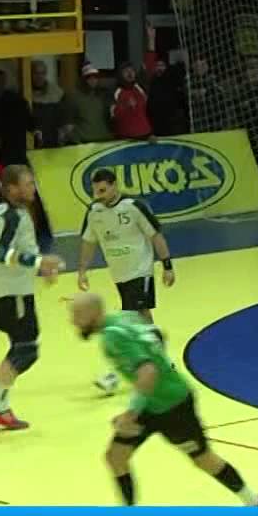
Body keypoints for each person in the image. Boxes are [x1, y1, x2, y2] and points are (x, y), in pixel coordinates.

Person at [70, 292, 258, 507]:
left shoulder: (113, 337)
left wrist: (130, 415)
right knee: (116, 456)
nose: (72, 321)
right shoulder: (124, 317)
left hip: (173, 405)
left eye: (76, 315)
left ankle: (254, 502)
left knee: (204, 460)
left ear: (93, 313)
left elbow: (148, 372)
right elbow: (158, 335)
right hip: (149, 403)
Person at [0, 165, 63, 435]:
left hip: (18, 290)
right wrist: (39, 262)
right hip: (11, 293)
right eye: (28, 183)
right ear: (11, 188)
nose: (33, 188)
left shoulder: (20, 212)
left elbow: (22, 250)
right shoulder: (8, 214)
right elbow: (0, 253)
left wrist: (40, 266)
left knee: (19, 349)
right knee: (26, 350)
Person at [77, 168, 174, 394]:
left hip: (140, 271)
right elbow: (89, 241)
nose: (98, 195)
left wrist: (167, 265)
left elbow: (155, 235)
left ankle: (116, 375)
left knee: (132, 320)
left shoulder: (134, 206)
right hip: (119, 275)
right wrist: (82, 270)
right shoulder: (94, 211)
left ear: (114, 185)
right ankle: (160, 359)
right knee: (142, 320)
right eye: (95, 191)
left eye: (103, 190)